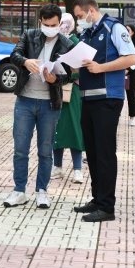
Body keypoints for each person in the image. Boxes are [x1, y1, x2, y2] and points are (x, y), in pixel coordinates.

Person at [72, 0, 135, 222]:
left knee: (105, 152)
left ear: (91, 10)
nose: (79, 20)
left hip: (108, 98)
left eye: (80, 16)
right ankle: (97, 198)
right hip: (88, 98)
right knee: (92, 152)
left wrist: (101, 68)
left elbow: (131, 58)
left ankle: (107, 206)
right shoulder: (87, 34)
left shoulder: (114, 28)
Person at [4, 4, 73, 209]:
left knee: (45, 149)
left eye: (54, 25)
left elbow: (68, 75)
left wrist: (55, 79)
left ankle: (42, 191)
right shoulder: (30, 35)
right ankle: (19, 190)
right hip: (25, 99)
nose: (50, 28)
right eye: (46, 24)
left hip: (50, 103)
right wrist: (25, 62)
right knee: (20, 148)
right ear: (40, 21)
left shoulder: (66, 44)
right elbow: (14, 54)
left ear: (59, 23)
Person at [51, 12, 85, 184]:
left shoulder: (76, 43)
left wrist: (72, 73)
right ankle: (57, 167)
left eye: (66, 23)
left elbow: (80, 69)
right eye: (61, 22)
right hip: (55, 89)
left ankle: (78, 169)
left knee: (73, 129)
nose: (63, 26)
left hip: (72, 92)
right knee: (55, 129)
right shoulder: (54, 41)